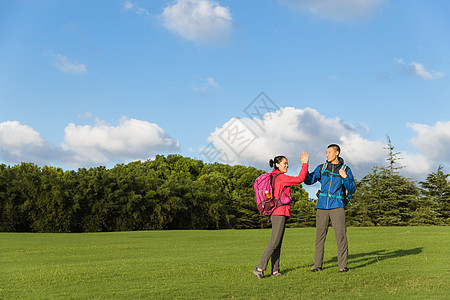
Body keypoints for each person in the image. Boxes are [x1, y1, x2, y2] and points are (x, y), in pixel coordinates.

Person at [252, 152, 309, 279]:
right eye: (284, 163)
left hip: (277, 213)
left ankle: (275, 270)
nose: (287, 166)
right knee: (274, 242)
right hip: (279, 213)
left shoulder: (274, 177)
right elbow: (300, 179)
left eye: (287, 163)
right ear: (277, 165)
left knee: (277, 242)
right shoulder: (281, 178)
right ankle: (259, 268)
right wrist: (305, 164)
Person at [304, 144, 356, 273]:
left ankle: (343, 266)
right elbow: (308, 181)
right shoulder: (322, 168)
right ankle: (317, 265)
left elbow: (352, 188)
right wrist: (305, 165)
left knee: (341, 237)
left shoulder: (345, 169)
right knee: (319, 237)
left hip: (337, 206)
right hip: (321, 206)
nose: (327, 155)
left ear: (337, 153)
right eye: (326, 152)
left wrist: (345, 177)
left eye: (329, 152)